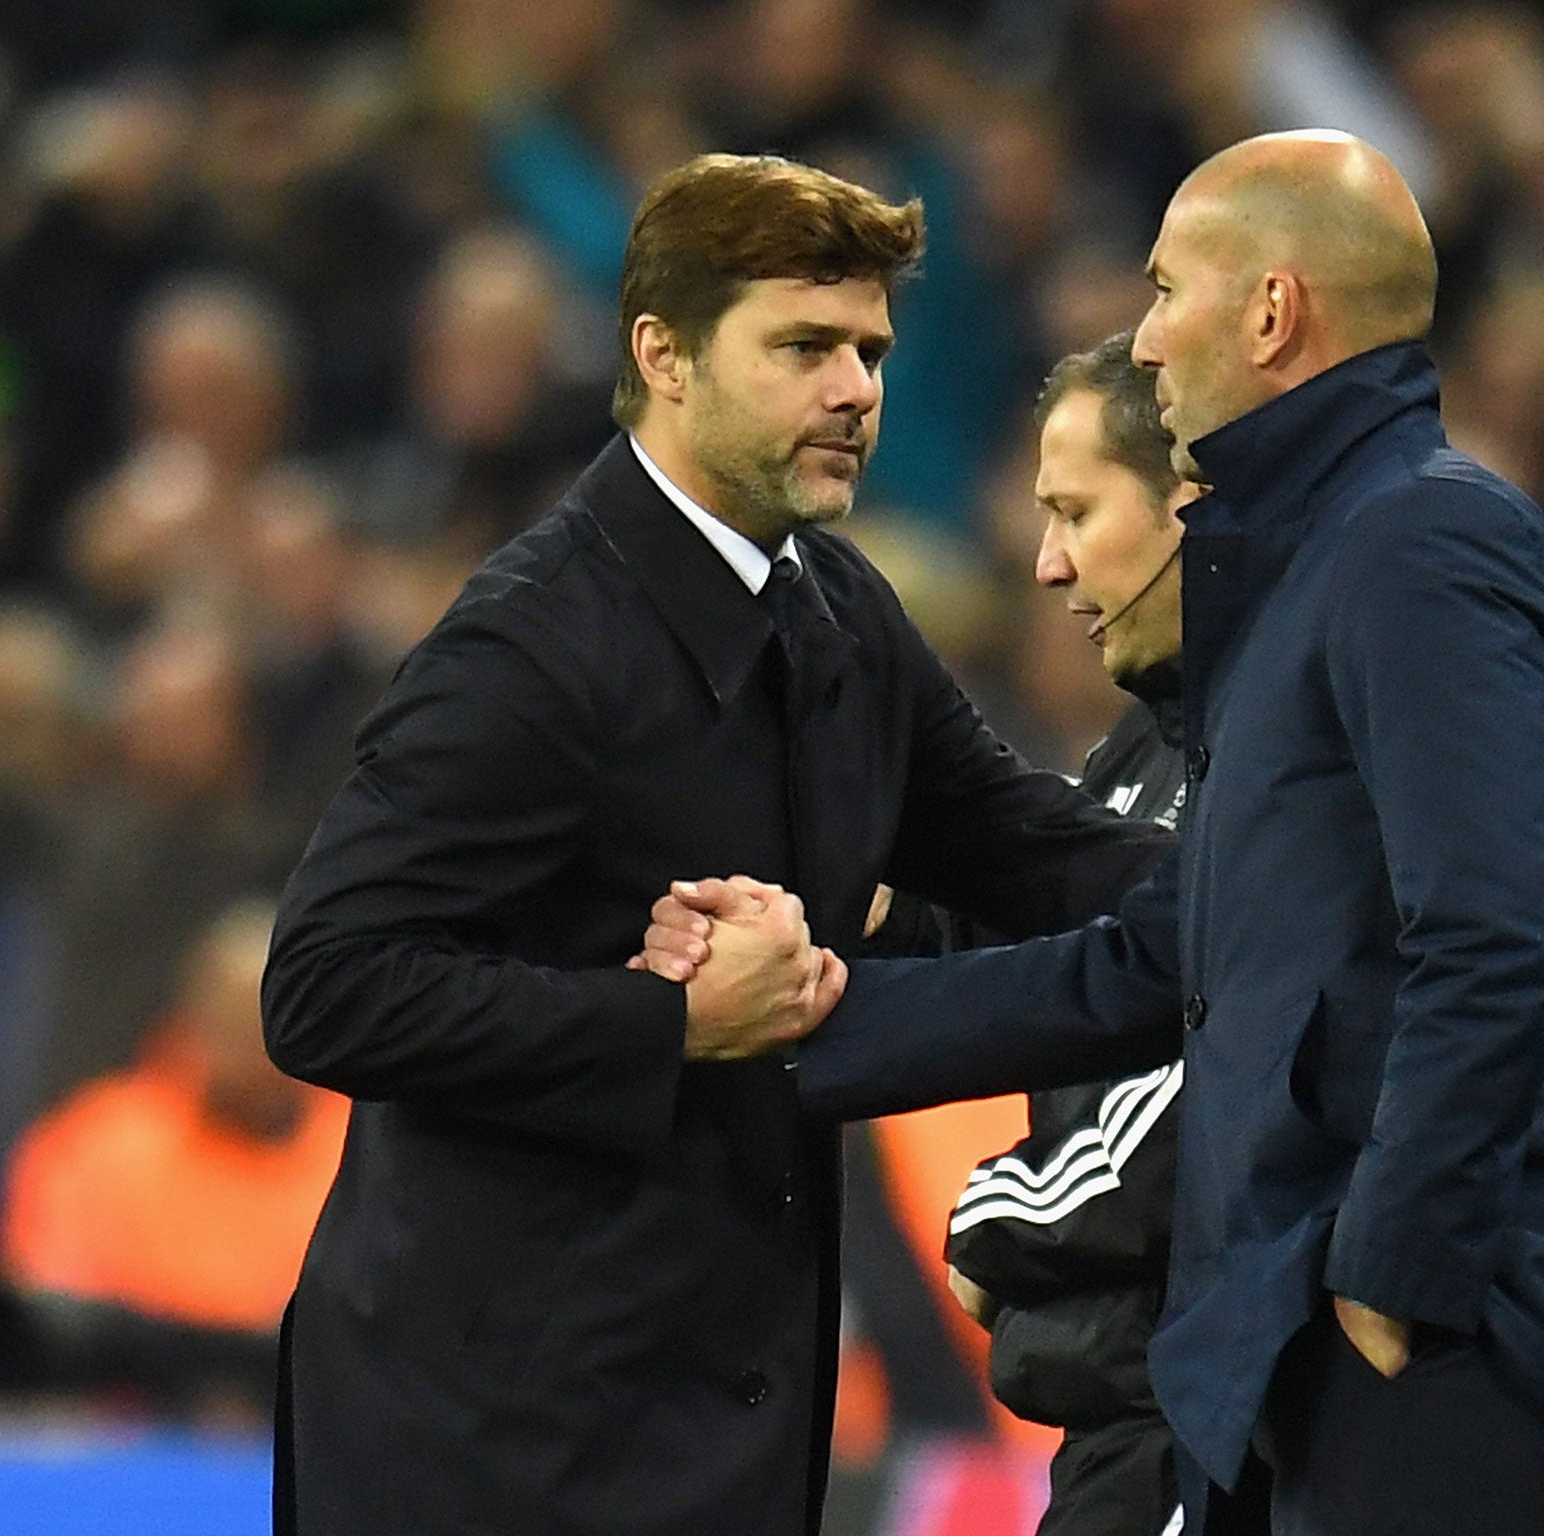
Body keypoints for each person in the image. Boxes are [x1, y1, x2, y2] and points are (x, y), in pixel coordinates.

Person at [649, 132, 1544, 1535]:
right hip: (1317, 1375)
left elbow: (1495, 932)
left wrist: (1395, 1274)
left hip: (1483, 1367)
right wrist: (812, 1013)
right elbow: (1153, 965)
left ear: (1273, 314)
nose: (1144, 340)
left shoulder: (1421, 542)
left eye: (1166, 292)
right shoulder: (1297, 589)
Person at [258, 152, 1168, 1536]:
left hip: (711, 1415)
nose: (857, 390)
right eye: (804, 347)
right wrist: (665, 1021)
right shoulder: (530, 645)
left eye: (869, 349)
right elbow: (323, 986)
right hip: (488, 1440)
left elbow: (1030, 854)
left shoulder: (840, 611)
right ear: (664, 357)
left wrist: (1307, 892)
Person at [942, 331, 1194, 1536]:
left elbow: (1209, 1061)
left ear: (1186, 503)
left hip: (1207, 1415)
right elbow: (1043, 964)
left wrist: (1010, 1213)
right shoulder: (1137, 750)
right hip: (1113, 1415)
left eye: (1075, 512)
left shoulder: (1289, 747)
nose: (1046, 565)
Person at [0, 898, 345, 1414]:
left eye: (261, 1023)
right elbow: (50, 1329)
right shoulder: (89, 1146)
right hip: (119, 1449)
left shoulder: (359, 1157)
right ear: (190, 1017)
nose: (243, 1050)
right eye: (228, 1022)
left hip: (298, 1435)